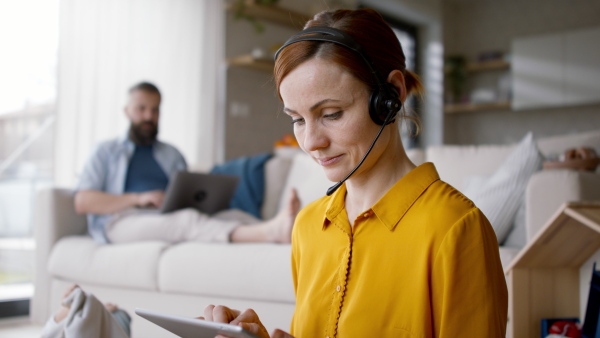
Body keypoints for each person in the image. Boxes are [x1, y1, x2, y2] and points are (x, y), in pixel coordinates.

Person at [202, 8, 508, 338]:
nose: (310, 142)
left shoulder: (456, 229)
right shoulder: (307, 227)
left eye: (331, 114)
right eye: (298, 119)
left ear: (392, 96)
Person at [75, 81, 299, 245]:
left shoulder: (171, 154)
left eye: (154, 110)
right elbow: (83, 201)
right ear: (127, 111)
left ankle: (287, 233)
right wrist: (138, 198)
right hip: (122, 221)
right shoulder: (105, 151)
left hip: (165, 214)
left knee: (234, 215)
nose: (148, 116)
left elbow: (187, 191)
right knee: (187, 221)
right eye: (141, 109)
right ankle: (270, 234)